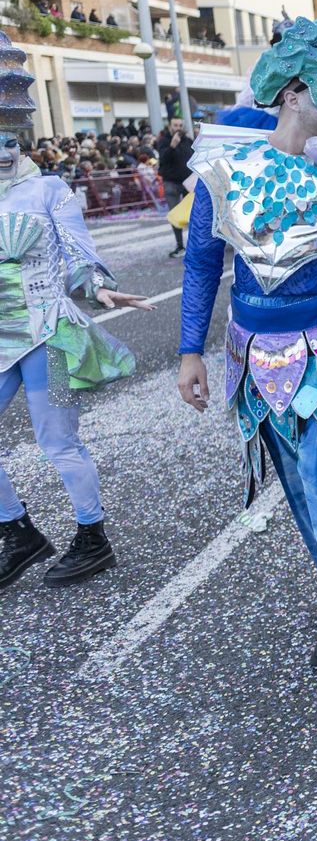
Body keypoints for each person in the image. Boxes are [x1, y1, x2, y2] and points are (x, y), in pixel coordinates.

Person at [177, 15, 317, 671]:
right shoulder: (224, 169)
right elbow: (199, 266)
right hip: (258, 351)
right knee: (298, 483)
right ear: (296, 91)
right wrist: (191, 349)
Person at [0, 34, 152, 589]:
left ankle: (93, 537)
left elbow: (78, 254)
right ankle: (18, 531)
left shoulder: (49, 190)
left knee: (57, 441)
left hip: (50, 335)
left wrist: (97, 287)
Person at [156, 120, 193, 256]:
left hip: (187, 183)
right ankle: (180, 246)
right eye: (175, 125)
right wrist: (172, 146)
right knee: (175, 215)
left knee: (192, 215)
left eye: (180, 126)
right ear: (170, 127)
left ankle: (193, 245)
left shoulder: (187, 141)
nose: (178, 128)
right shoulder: (164, 140)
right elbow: (163, 159)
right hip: (171, 182)